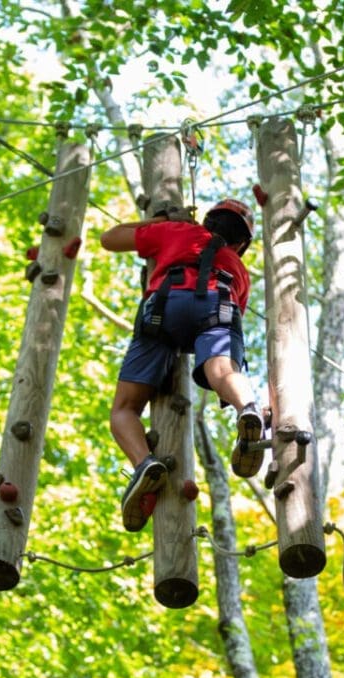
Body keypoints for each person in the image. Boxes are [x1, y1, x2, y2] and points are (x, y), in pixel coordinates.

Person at [99, 198, 263, 532]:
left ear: (207, 221)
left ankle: (144, 463)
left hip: (163, 308)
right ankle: (248, 409)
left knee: (125, 409)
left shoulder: (174, 232)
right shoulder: (238, 268)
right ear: (241, 242)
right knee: (223, 370)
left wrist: (155, 223)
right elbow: (234, 318)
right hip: (220, 305)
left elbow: (109, 238)